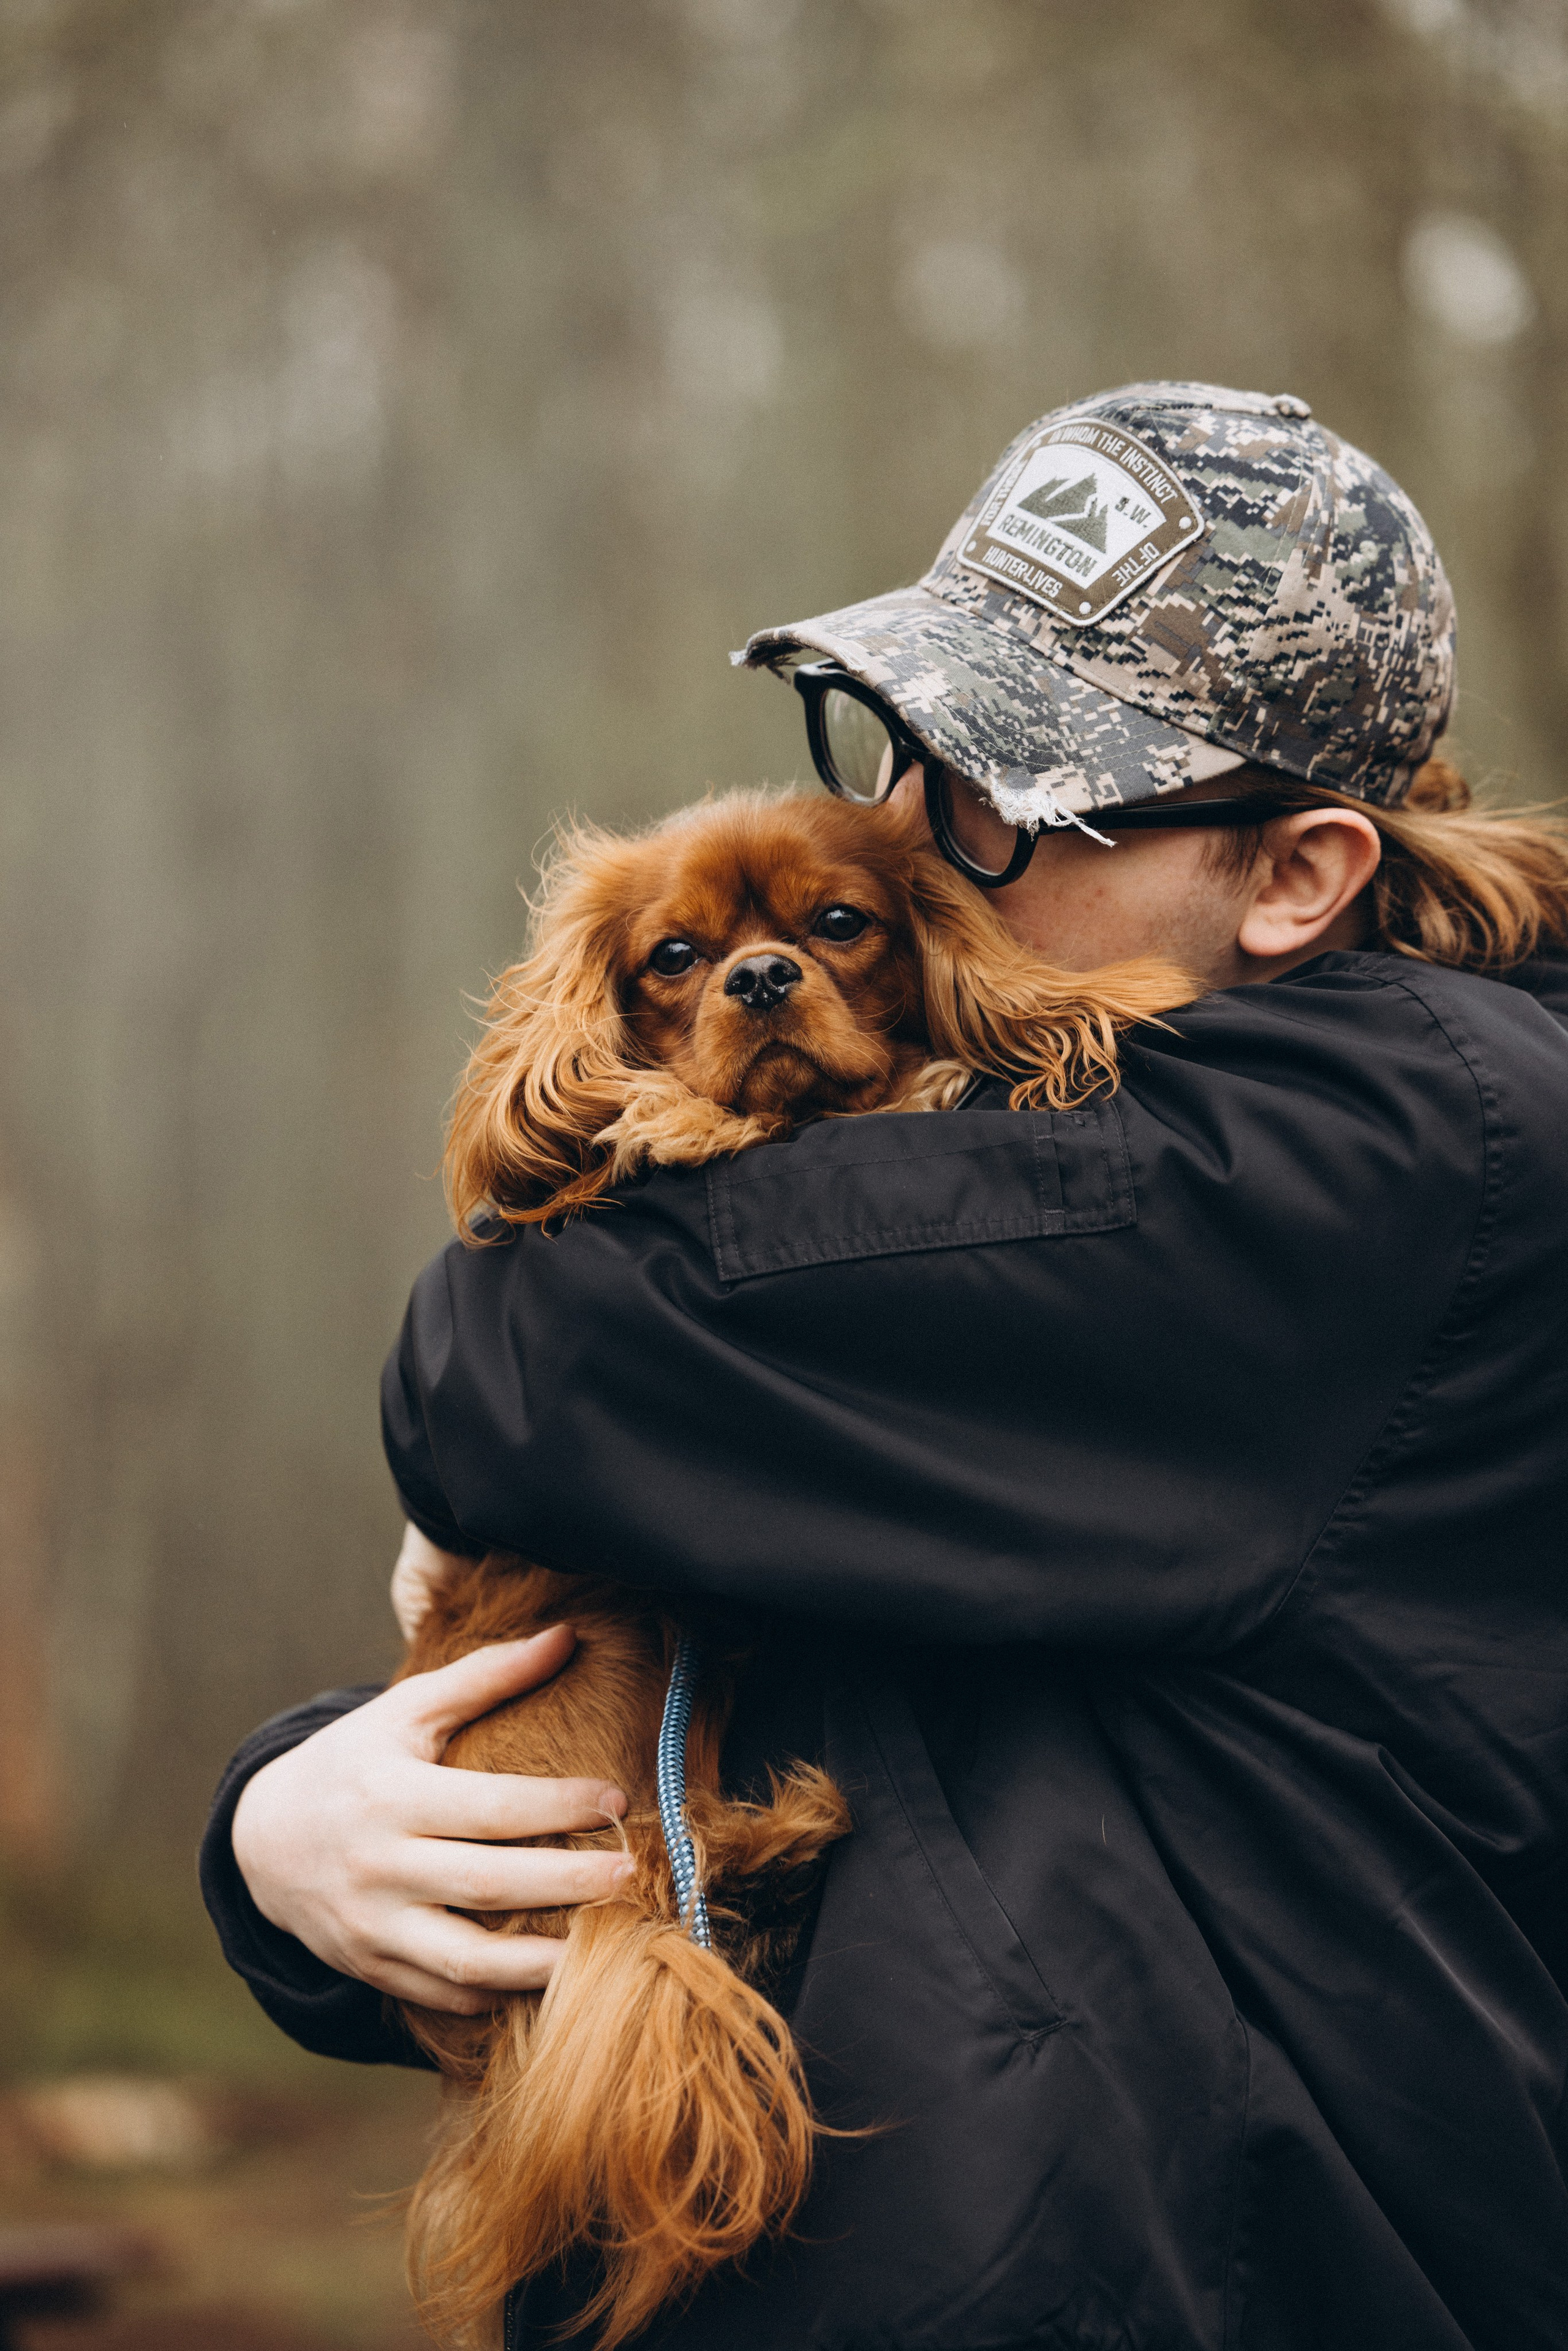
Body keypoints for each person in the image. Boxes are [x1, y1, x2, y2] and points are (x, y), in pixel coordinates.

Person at [202, 382, 1568, 2350]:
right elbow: (837, 1720)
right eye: (920, 747)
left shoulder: (1385, 1151)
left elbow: (529, 1350)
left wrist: (490, 1425)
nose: (921, 833)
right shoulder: (1078, 1211)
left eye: (1019, 784)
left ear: (1299, 876)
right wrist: (285, 1833)